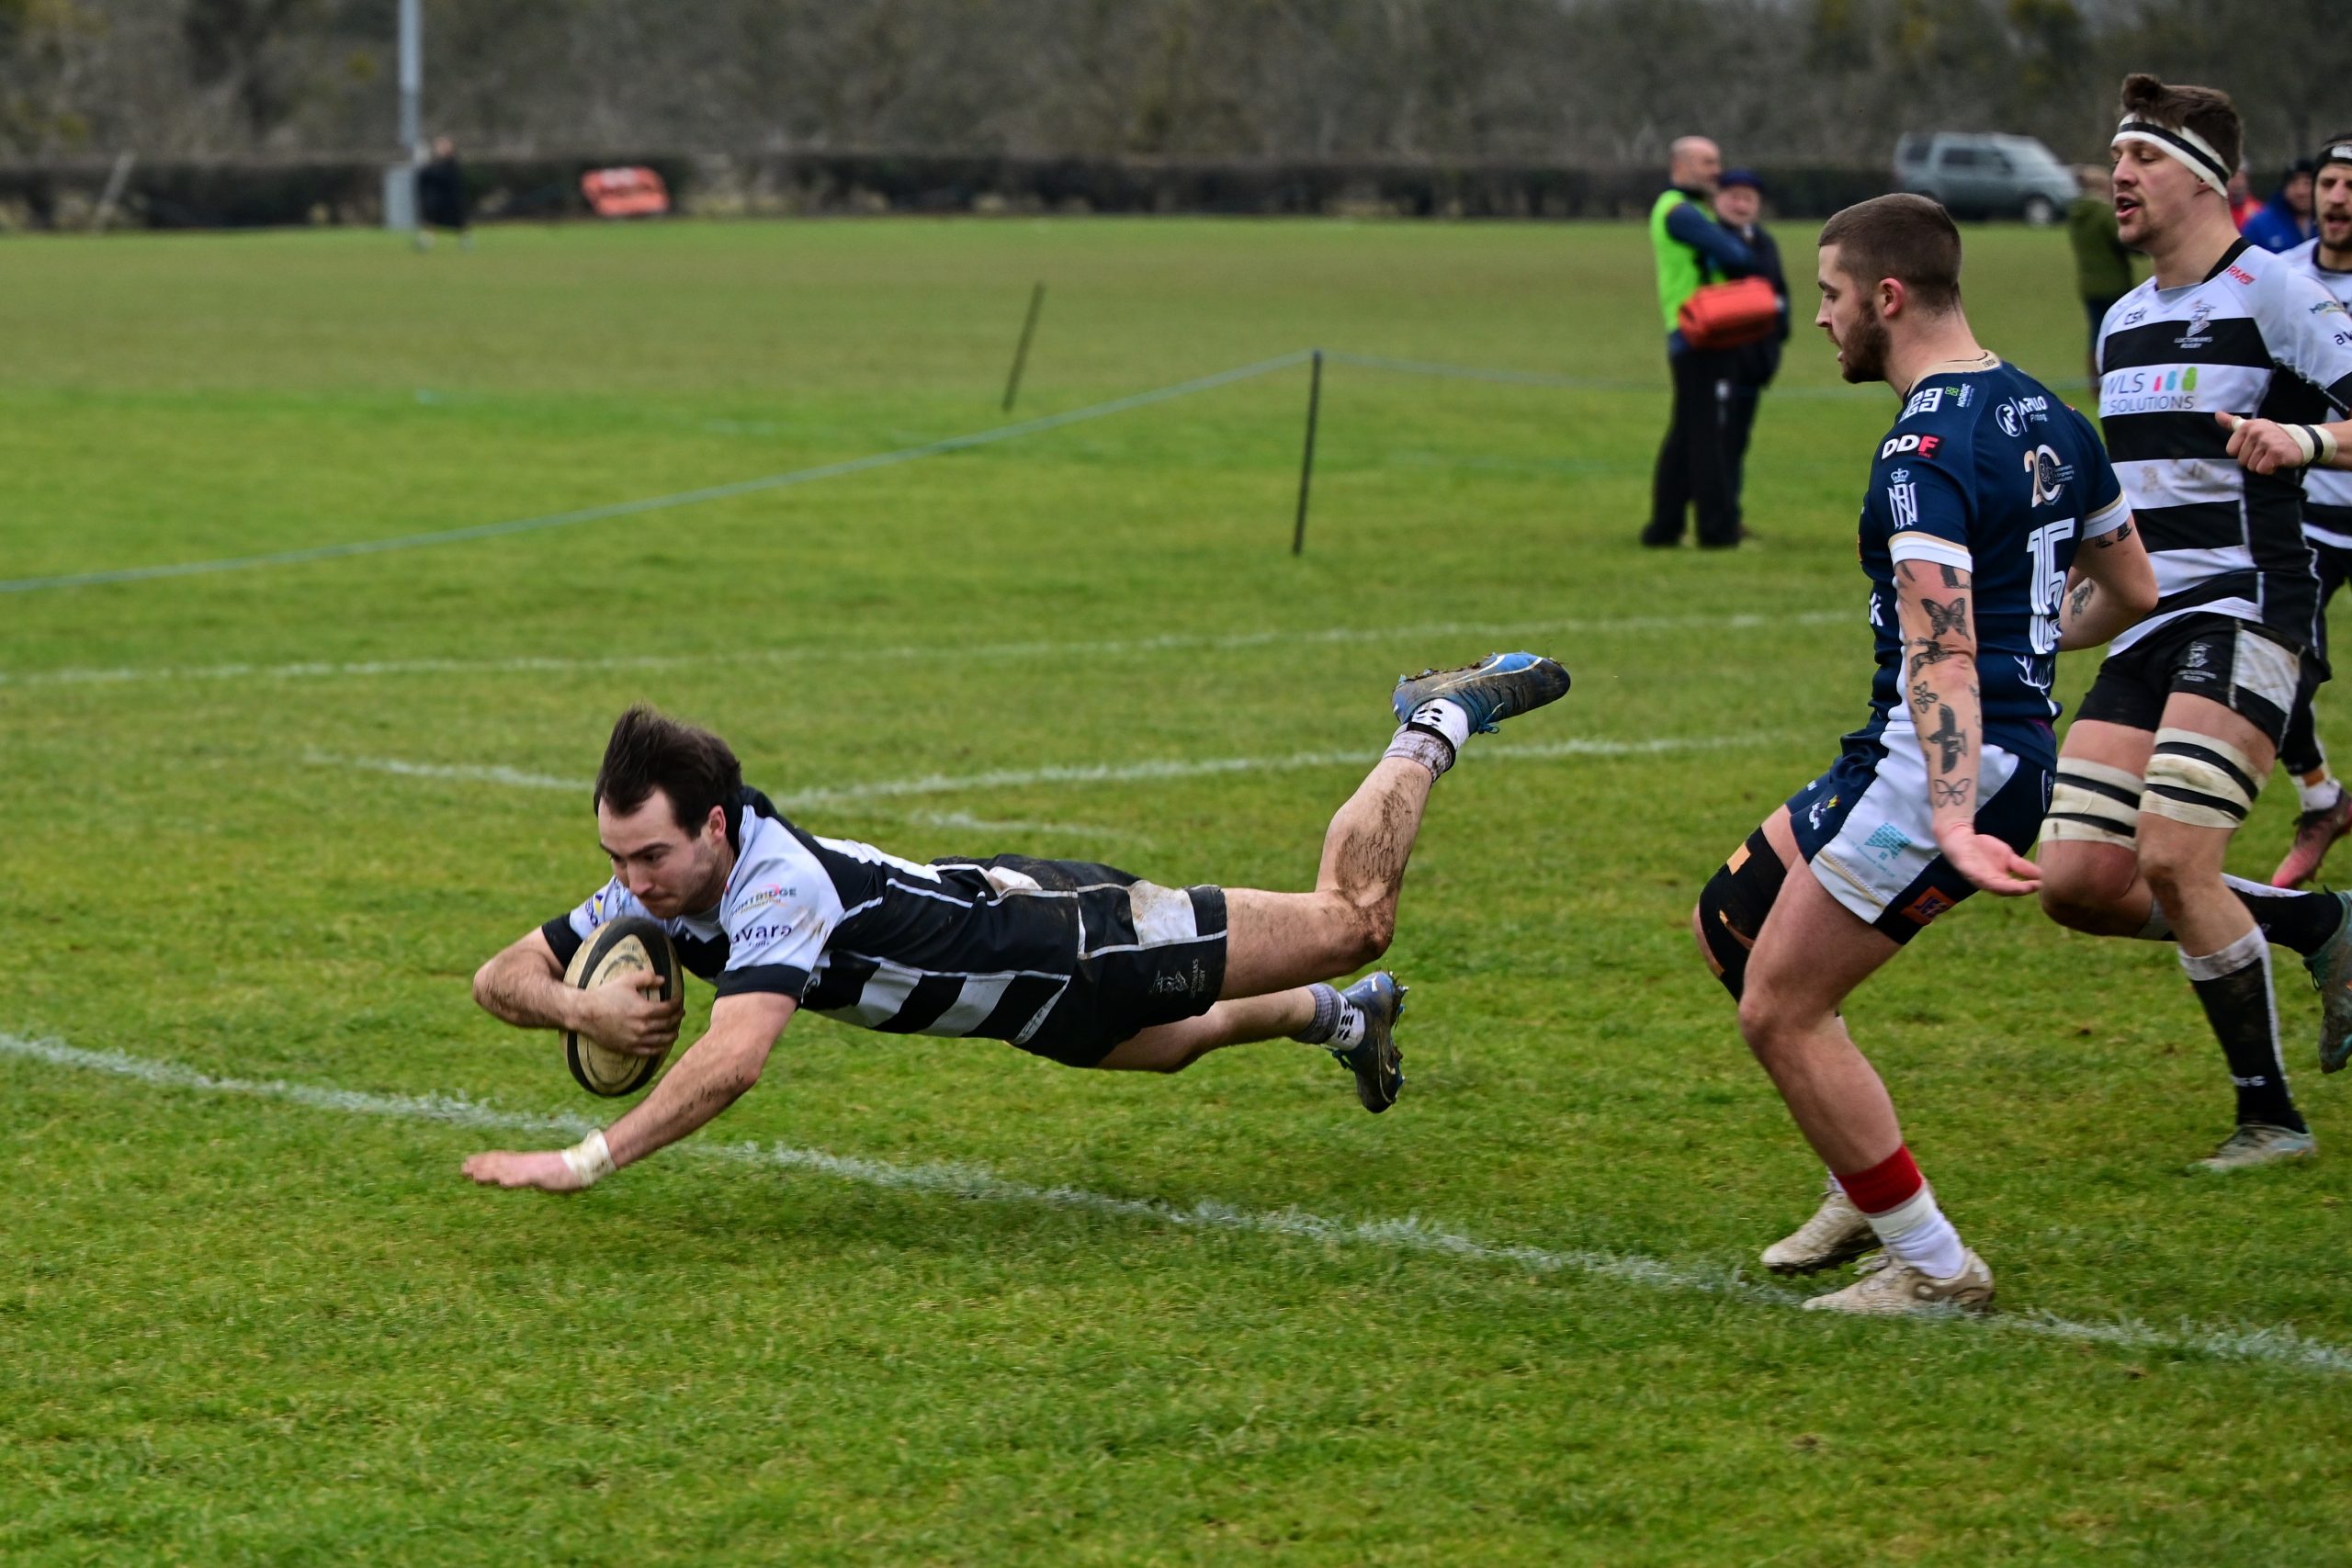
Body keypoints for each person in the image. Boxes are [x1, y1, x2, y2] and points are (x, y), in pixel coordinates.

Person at [460, 654, 1573, 1192]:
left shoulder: (773, 887)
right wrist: (579, 1003)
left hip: (1072, 941)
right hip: (1018, 1003)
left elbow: (735, 1060)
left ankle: (1437, 717)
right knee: (1176, 1043)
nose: (631, 883)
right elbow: (497, 973)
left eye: (649, 855)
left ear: (712, 826)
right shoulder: (658, 885)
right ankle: (1347, 1022)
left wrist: (586, 1158)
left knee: (1352, 915)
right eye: (616, 859)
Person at [1690, 193, 2157, 1314]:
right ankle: (1862, 1179)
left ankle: (1936, 1266)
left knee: (1778, 1010)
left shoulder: (1922, 451)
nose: (1819, 320)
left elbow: (1943, 657)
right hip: (1926, 751)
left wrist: (1951, 811)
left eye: (1831, 296)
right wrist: (2031, 651)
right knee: (1731, 924)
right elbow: (2132, 587)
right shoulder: (2048, 413)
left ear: (1885, 299)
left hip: (1941, 765)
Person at [2033, 77, 2352, 1171]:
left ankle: (2269, 1119)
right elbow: (2127, 538)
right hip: (2152, 625)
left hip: (2257, 605)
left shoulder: (2275, 293)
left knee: (2172, 857)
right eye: (2114, 156)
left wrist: (2304, 446)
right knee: (2077, 883)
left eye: (2142, 159)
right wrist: (2033, 624)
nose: (2116, 176)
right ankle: (2315, 924)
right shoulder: (2121, 324)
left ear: (2207, 183)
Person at [2269, 135, 2352, 888]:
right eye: (2329, 181)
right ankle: (2321, 798)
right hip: (2313, 518)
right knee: (2281, 671)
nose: (2337, 197)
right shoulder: (2283, 282)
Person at [1641, 135, 1757, 550]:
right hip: (1702, 332)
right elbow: (1737, 255)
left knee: (1686, 433)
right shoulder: (1679, 212)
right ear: (1680, 165)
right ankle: (1716, 530)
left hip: (1689, 333)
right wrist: (1740, 239)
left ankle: (1664, 527)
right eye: (1707, 162)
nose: (1715, 171)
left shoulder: (1680, 210)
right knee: (1708, 434)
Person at [1713, 168, 1789, 538]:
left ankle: (1730, 512)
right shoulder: (1711, 243)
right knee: (1717, 441)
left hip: (1756, 359)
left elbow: (1780, 294)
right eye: (1734, 197)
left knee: (1738, 439)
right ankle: (1718, 517)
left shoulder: (1765, 242)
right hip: (1721, 357)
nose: (1741, 205)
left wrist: (1778, 337)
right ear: (1718, 199)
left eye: (1749, 198)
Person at [2067, 164, 2135, 385]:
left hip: (2088, 284)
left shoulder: (2076, 213)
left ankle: (2094, 382)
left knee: (2096, 334)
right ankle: (2118, 376)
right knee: (2119, 333)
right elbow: (2122, 240)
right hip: (2113, 282)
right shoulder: (2103, 212)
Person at [2243, 158, 2317, 254]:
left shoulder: (2330, 223)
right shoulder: (2260, 225)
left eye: (2307, 183)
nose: (2301, 191)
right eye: (2294, 183)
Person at [414, 136, 471, 251]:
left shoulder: (452, 164)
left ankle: (466, 242)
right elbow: (424, 178)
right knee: (431, 221)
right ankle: (426, 242)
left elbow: (447, 178)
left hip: (451, 199)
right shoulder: (434, 164)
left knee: (458, 223)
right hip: (436, 200)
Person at [2229, 163, 2264, 231]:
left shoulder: (2258, 211)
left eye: (2241, 178)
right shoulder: (2219, 210)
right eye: (2233, 178)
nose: (2237, 184)